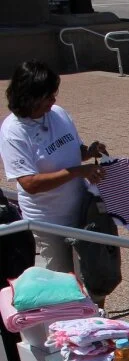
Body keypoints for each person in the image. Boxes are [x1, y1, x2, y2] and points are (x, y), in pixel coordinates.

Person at [0, 59, 106, 274]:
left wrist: (89, 151)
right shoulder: (14, 131)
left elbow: (73, 149)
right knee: (57, 284)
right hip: (48, 223)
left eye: (54, 94)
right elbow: (29, 183)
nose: (53, 100)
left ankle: (95, 308)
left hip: (81, 212)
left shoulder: (58, 113)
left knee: (92, 273)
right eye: (48, 96)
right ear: (29, 97)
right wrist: (78, 172)